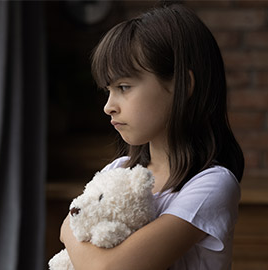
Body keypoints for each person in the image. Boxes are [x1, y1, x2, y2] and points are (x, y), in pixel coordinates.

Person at [59, 2, 245, 270]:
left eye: (124, 87)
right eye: (108, 90)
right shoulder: (119, 170)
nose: (108, 106)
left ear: (183, 85)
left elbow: (107, 267)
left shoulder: (211, 185)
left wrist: (67, 228)